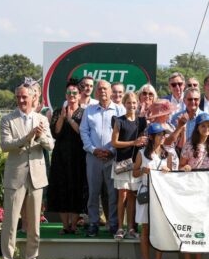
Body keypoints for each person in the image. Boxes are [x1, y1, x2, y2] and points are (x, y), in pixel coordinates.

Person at [0, 83, 54, 259]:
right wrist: (28, 136)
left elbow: (51, 145)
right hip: (16, 176)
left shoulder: (41, 119)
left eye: (24, 97)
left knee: (34, 221)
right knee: (11, 220)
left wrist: (39, 137)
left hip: (37, 176)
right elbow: (5, 145)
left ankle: (31, 257)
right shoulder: (7, 119)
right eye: (18, 97)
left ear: (33, 98)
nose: (21, 100)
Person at [80, 80, 125, 237]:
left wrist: (112, 150)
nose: (102, 91)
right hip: (93, 157)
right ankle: (93, 222)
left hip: (112, 157)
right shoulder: (89, 110)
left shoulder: (119, 110)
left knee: (112, 192)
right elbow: (84, 131)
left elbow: (124, 132)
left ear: (111, 91)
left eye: (105, 88)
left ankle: (113, 223)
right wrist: (93, 150)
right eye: (99, 89)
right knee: (93, 192)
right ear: (96, 92)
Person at [179, 113, 209, 259]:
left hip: (207, 190)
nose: (207, 128)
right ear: (197, 127)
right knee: (189, 223)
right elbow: (181, 166)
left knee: (201, 224)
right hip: (191, 188)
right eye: (203, 125)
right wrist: (186, 167)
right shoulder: (189, 145)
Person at [48, 80, 87, 235]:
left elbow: (83, 133)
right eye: (69, 93)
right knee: (62, 189)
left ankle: (74, 225)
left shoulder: (85, 113)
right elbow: (55, 133)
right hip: (61, 157)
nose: (72, 96)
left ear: (79, 95)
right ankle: (65, 226)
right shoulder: (58, 111)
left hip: (78, 156)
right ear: (66, 95)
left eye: (74, 93)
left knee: (77, 188)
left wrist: (71, 119)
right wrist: (63, 117)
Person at [132, 123, 172, 259]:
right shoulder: (141, 153)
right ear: (151, 136)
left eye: (163, 135)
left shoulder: (167, 154)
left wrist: (168, 170)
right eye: (159, 135)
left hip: (161, 195)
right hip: (145, 193)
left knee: (159, 228)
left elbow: (171, 176)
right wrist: (143, 170)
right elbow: (134, 173)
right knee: (145, 228)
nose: (162, 137)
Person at [111, 92, 148, 239]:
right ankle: (120, 228)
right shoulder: (118, 121)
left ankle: (131, 228)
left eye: (134, 103)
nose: (132, 105)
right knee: (122, 195)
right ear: (124, 104)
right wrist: (134, 142)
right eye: (129, 103)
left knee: (132, 196)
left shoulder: (142, 121)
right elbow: (114, 142)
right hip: (122, 163)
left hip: (136, 164)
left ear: (137, 104)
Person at [149, 99, 186, 171]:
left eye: (169, 112)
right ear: (160, 114)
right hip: (161, 160)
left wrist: (183, 130)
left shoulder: (171, 126)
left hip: (174, 160)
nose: (170, 113)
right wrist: (179, 127)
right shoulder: (152, 127)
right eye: (167, 112)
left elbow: (180, 145)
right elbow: (167, 142)